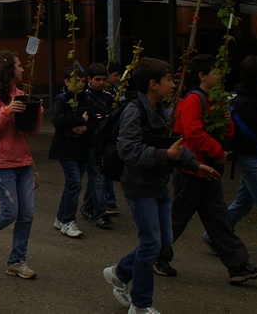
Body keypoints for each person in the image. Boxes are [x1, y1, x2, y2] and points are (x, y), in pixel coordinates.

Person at [103, 57, 219, 314]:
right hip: (138, 186)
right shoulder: (134, 111)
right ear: (153, 84)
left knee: (162, 241)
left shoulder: (162, 109)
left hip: (158, 185)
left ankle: (120, 272)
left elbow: (175, 146)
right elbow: (128, 150)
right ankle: (141, 304)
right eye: (169, 79)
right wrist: (163, 156)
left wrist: (195, 165)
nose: (173, 83)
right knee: (151, 244)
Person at [156, 54, 257, 283]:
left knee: (219, 219)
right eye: (216, 72)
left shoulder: (214, 100)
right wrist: (218, 153)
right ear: (202, 75)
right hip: (192, 170)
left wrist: (227, 121)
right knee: (177, 219)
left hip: (208, 170)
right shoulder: (193, 100)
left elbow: (225, 132)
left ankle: (238, 266)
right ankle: (156, 255)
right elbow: (193, 134)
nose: (221, 76)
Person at [212, 55, 257, 272]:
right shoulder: (245, 101)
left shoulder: (253, 97)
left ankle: (214, 235)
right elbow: (252, 131)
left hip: (254, 156)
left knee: (244, 203)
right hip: (251, 157)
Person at [0, 51, 43, 279]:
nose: (23, 69)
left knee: (27, 214)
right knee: (9, 213)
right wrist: (7, 111)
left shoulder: (22, 94)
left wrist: (38, 113)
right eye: (18, 66)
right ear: (8, 70)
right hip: (2, 163)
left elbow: (32, 132)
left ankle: (16, 261)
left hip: (24, 161)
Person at [49, 66, 90, 239]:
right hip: (65, 149)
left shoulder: (86, 99)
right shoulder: (62, 99)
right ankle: (68, 220)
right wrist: (80, 120)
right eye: (76, 80)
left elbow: (93, 119)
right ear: (67, 82)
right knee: (74, 183)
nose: (80, 84)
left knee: (73, 183)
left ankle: (60, 216)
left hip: (81, 148)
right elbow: (58, 120)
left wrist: (86, 127)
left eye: (83, 80)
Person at [79, 63, 115, 229]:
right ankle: (100, 213)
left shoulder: (109, 96)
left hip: (104, 143)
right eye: (97, 79)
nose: (101, 83)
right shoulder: (85, 97)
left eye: (103, 79)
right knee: (97, 178)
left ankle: (87, 207)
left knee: (97, 177)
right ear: (89, 79)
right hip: (91, 143)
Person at [103, 60, 124, 216]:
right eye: (116, 75)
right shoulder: (103, 94)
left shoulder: (117, 91)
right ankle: (107, 200)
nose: (118, 78)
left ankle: (105, 200)